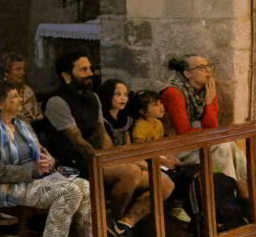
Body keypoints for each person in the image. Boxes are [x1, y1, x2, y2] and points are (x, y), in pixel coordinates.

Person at [0, 81, 106, 237]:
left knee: (84, 186)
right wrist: (32, 170)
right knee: (69, 191)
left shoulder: (22, 123)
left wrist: (47, 158)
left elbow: (39, 148)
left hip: (36, 178)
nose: (20, 100)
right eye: (14, 97)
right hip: (7, 186)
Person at [42, 51, 147, 237]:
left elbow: (101, 133)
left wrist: (113, 157)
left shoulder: (93, 97)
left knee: (162, 182)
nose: (90, 73)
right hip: (72, 164)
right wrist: (104, 161)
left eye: (90, 68)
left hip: (95, 159)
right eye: (83, 69)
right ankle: (112, 224)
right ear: (67, 75)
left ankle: (125, 225)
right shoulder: (57, 101)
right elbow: (78, 142)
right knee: (131, 172)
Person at [161, 55, 247, 193]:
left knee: (228, 145)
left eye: (208, 66)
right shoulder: (173, 93)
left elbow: (211, 127)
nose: (208, 71)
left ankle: (241, 193)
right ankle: (229, 194)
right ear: (187, 73)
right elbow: (183, 132)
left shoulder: (207, 91)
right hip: (174, 146)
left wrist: (209, 103)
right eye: (201, 68)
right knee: (222, 146)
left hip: (198, 142)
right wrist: (213, 134)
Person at [131, 90, 190, 223]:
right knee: (170, 174)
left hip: (157, 157)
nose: (161, 107)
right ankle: (171, 207)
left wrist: (171, 158)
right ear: (143, 111)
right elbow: (141, 151)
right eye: (155, 105)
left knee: (181, 170)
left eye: (160, 103)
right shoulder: (140, 126)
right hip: (146, 161)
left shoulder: (158, 124)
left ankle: (178, 204)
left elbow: (161, 147)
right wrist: (163, 161)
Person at [0, 52, 43, 123]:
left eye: (24, 69)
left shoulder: (27, 90)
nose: (23, 72)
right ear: (6, 72)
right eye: (18, 69)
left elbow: (36, 116)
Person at [100, 78, 132, 146]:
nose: (123, 98)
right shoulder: (102, 120)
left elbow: (128, 144)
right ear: (108, 95)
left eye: (125, 94)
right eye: (118, 94)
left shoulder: (125, 118)